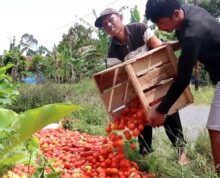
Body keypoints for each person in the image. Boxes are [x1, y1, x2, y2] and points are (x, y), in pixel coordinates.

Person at [94, 8, 188, 165]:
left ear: (121, 17)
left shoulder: (139, 28)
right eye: (105, 24)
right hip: (137, 90)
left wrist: (177, 45)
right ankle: (145, 155)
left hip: (157, 80)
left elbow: (158, 46)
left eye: (111, 20)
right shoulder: (112, 53)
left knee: (169, 113)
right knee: (141, 121)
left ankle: (182, 153)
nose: (109, 25)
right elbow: (120, 80)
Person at [145, 0, 220, 175]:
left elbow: (182, 80)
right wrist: (173, 45)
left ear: (176, 14)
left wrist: (161, 110)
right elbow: (186, 38)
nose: (161, 28)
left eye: (162, 23)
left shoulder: (192, 34)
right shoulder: (188, 12)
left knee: (215, 128)